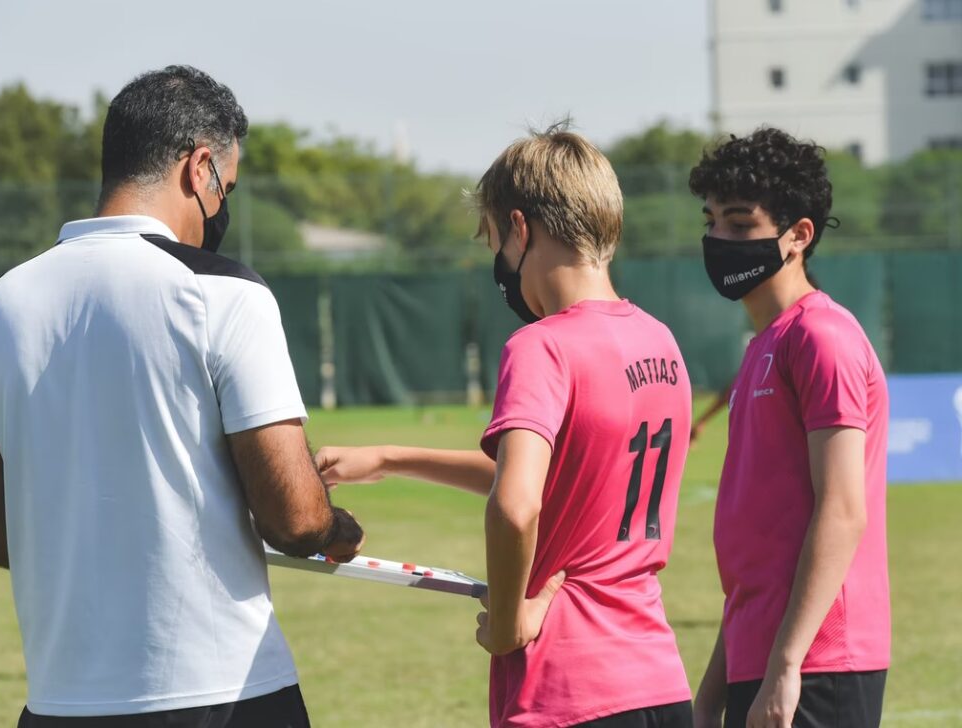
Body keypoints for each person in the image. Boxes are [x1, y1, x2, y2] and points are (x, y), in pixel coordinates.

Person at [0, 65, 363, 727]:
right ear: (200, 168)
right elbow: (295, 520)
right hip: (225, 695)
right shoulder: (225, 293)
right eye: (228, 185)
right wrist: (335, 527)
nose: (223, 204)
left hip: (59, 704)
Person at [316, 124, 694, 727]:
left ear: (520, 229)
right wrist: (388, 458)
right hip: (660, 687)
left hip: (567, 690)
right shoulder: (660, 343)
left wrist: (512, 619)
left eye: (493, 239)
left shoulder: (541, 346)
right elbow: (559, 478)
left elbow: (517, 506)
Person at [688, 128, 890, 728]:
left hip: (818, 665)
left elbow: (843, 510)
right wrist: (712, 693)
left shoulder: (821, 337)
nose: (718, 239)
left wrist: (787, 663)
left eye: (740, 224)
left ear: (799, 236)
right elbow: (761, 561)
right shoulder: (765, 347)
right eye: (712, 220)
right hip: (770, 659)